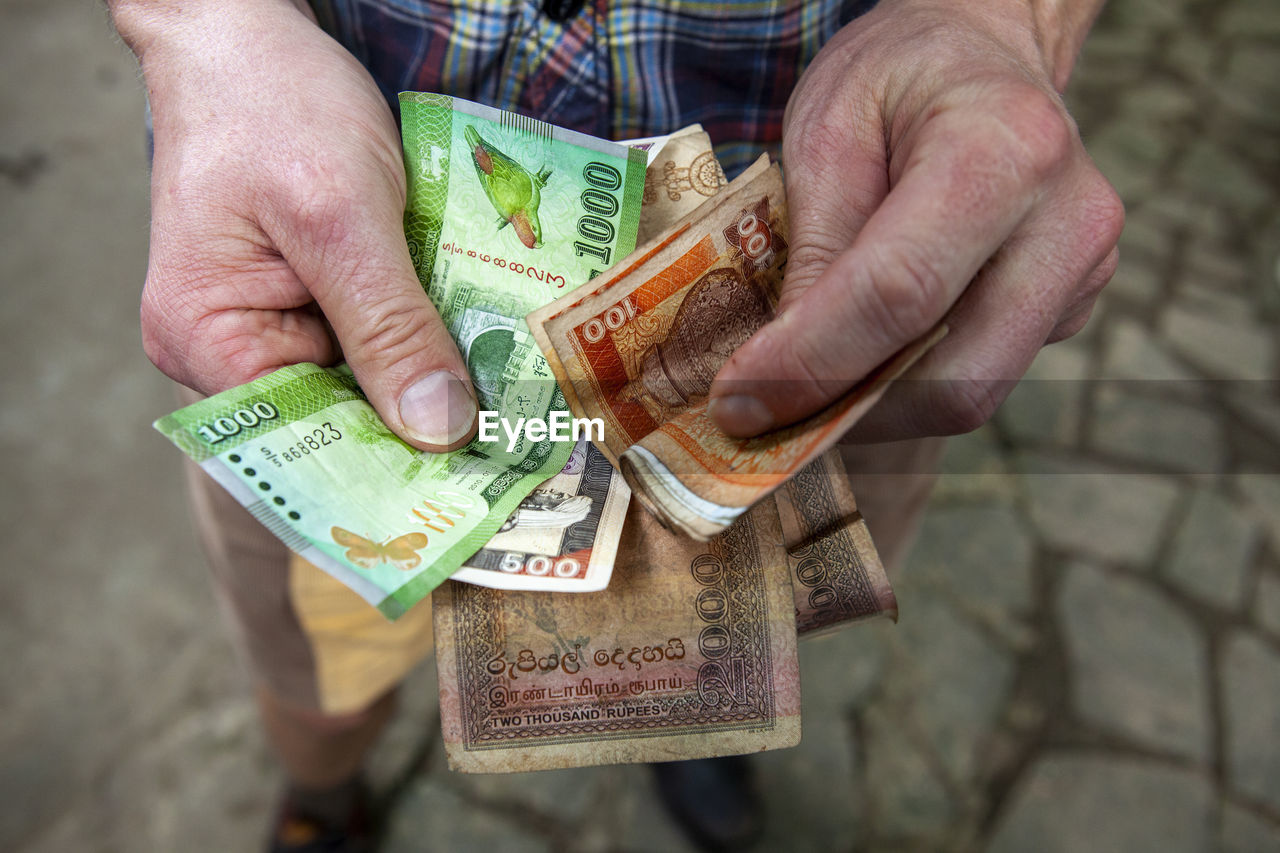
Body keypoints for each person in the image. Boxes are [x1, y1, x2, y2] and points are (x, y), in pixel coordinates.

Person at [107, 0, 1123, 850]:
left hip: (806, 310)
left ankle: (686, 740)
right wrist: (205, 28)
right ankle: (325, 789)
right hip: (328, 296)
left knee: (706, 652)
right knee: (328, 672)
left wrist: (995, 22)